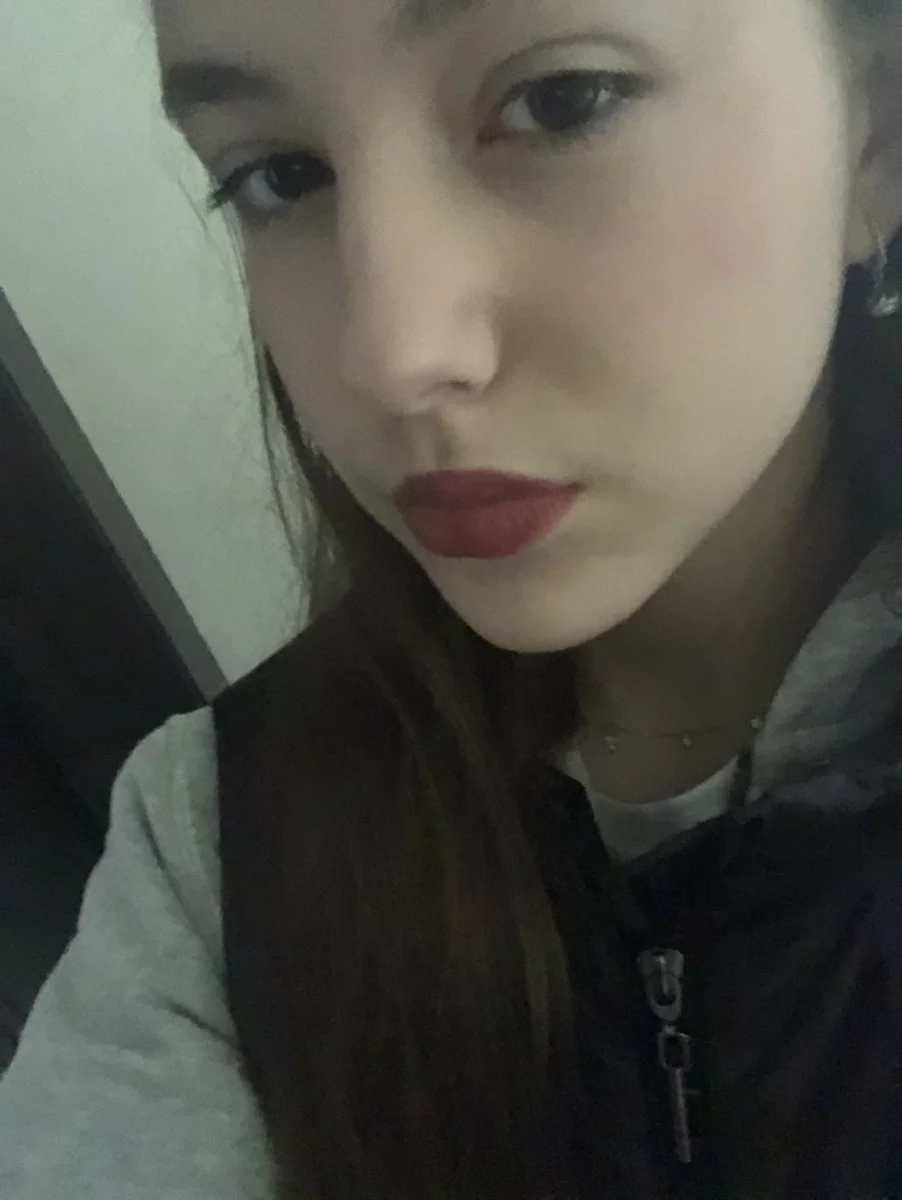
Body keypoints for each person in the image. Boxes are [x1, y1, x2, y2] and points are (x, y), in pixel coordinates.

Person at [3, 0, 902, 1195]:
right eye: (279, 176)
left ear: (873, 132)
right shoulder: (218, 837)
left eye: (560, 102)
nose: (389, 354)